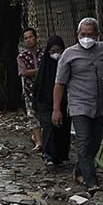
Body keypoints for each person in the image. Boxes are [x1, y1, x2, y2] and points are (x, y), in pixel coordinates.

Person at [52, 17, 103, 193]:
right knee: (83, 141)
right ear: (77, 34)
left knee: (95, 141)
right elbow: (59, 83)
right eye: (83, 34)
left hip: (99, 104)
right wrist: (56, 109)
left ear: (97, 35)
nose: (86, 38)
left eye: (90, 34)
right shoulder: (68, 55)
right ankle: (92, 182)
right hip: (78, 104)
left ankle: (79, 171)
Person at [33, 35, 70, 167]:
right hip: (45, 103)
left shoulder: (66, 66)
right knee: (48, 128)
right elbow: (37, 87)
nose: (56, 54)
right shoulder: (44, 68)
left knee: (61, 129)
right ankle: (48, 155)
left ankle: (59, 155)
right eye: (52, 51)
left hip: (63, 103)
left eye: (58, 51)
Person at [17, 27, 44, 151]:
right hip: (30, 91)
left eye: (31, 37)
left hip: (45, 90)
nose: (29, 40)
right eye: (26, 38)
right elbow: (24, 72)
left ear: (35, 38)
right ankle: (39, 142)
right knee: (33, 116)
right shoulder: (22, 57)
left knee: (44, 116)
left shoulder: (44, 53)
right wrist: (40, 71)